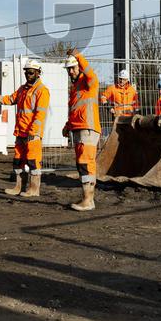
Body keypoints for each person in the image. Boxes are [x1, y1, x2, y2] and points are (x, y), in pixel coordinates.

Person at [0, 59, 49, 197]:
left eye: (30, 72)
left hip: (32, 134)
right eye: (26, 72)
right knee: (18, 161)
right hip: (21, 132)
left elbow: (40, 114)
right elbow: (9, 99)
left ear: (38, 73)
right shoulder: (23, 89)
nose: (28, 75)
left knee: (33, 161)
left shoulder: (42, 91)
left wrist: (34, 131)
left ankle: (34, 189)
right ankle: (19, 187)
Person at [62, 49, 101, 211]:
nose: (70, 71)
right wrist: (68, 125)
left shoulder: (88, 82)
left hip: (88, 128)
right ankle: (88, 199)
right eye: (68, 69)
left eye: (73, 68)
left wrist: (78, 56)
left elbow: (91, 74)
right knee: (83, 164)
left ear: (79, 67)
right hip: (79, 128)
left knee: (85, 163)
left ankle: (88, 200)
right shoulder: (76, 87)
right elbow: (75, 109)